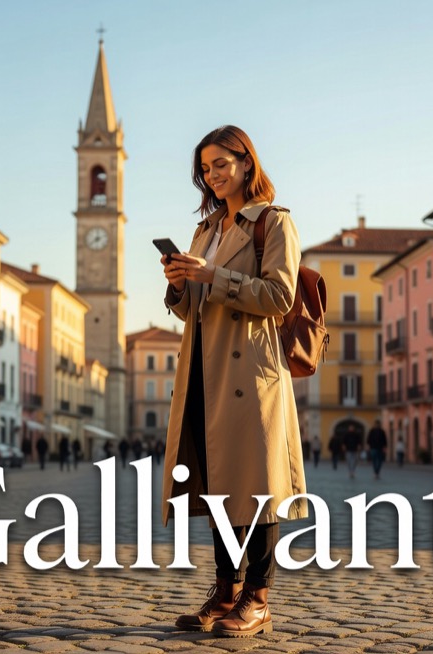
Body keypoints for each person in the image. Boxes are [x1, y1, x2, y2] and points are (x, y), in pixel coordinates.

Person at [160, 125, 306, 638]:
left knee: (256, 485)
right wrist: (180, 286)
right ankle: (225, 592)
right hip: (203, 368)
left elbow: (279, 297)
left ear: (247, 162)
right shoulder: (206, 232)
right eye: (205, 168)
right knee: (220, 484)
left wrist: (212, 277)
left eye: (222, 163)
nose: (213, 175)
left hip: (251, 373)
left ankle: (258, 599)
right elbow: (193, 313)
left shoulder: (274, 223)